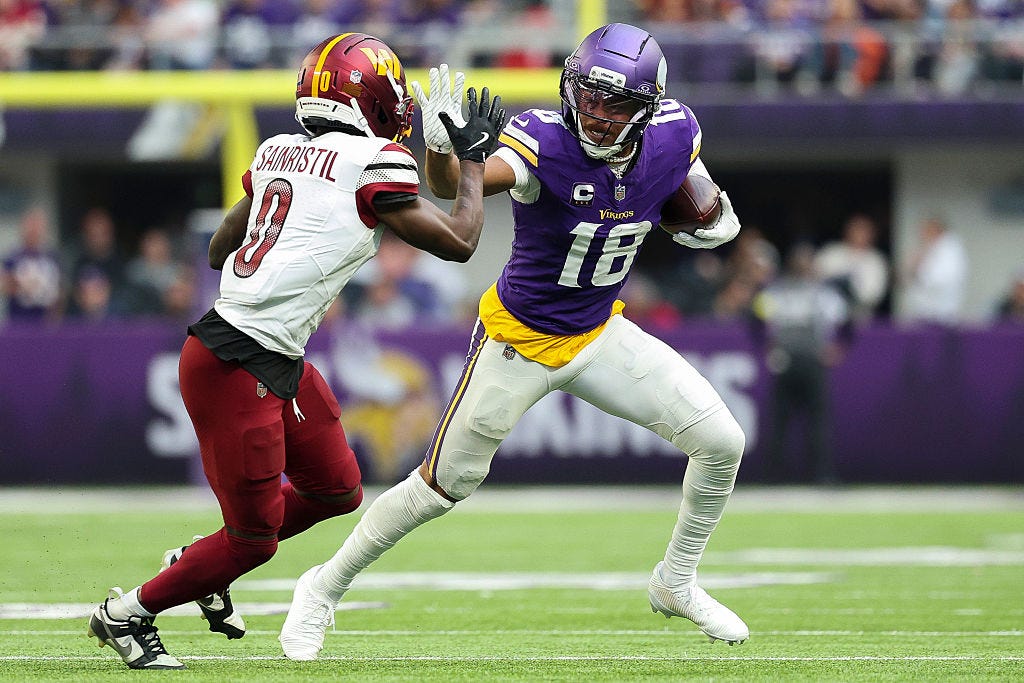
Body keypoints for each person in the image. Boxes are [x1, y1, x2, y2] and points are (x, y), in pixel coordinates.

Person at [280, 23, 749, 662]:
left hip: (597, 331)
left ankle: (677, 580)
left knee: (722, 441)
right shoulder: (544, 140)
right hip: (518, 339)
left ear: (646, 108)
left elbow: (694, 193)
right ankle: (322, 587)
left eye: (615, 104)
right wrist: (449, 150)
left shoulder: (675, 133)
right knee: (445, 484)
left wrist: (714, 215)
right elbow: (453, 187)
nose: (597, 114)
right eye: (587, 95)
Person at [86, 32, 505, 670]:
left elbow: (219, 245)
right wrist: (470, 161)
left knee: (338, 489)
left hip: (258, 349)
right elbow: (460, 241)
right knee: (253, 541)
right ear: (368, 94)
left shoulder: (277, 150)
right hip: (237, 363)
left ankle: (200, 564)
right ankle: (126, 615)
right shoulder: (375, 161)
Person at [752, 242, 852, 484]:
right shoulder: (819, 294)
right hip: (801, 360)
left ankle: (800, 475)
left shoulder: (778, 292)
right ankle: (811, 475)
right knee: (798, 421)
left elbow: (755, 319)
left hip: (794, 360)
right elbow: (847, 321)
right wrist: (839, 346)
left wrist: (767, 344)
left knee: (797, 421)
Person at [898, 215, 968, 325]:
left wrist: (917, 268)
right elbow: (906, 280)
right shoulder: (929, 249)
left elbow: (941, 279)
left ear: (935, 229)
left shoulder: (950, 250)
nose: (922, 235)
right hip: (923, 314)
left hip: (941, 316)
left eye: (925, 230)